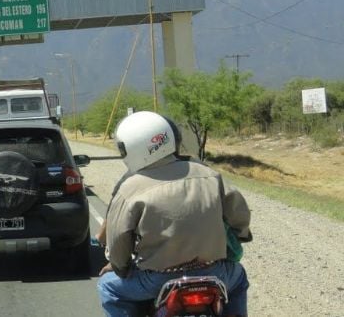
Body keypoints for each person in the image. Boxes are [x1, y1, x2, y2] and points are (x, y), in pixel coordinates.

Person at [97, 111, 252, 316]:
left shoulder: (129, 188)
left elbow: (117, 241)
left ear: (129, 148)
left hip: (156, 279)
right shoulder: (209, 175)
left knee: (108, 286)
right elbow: (239, 215)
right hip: (214, 272)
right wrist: (241, 235)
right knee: (239, 278)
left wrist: (121, 268)